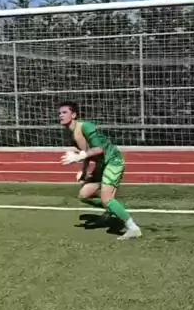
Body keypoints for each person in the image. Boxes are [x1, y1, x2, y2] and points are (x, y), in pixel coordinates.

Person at [58, 101, 142, 241]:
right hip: (101, 164)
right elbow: (86, 151)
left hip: (113, 161)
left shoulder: (86, 127)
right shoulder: (71, 134)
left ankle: (133, 228)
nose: (60, 115)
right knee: (84, 195)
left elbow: (99, 149)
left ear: (73, 115)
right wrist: (83, 170)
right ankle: (113, 210)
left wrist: (79, 157)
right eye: (59, 113)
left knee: (106, 199)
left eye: (64, 112)